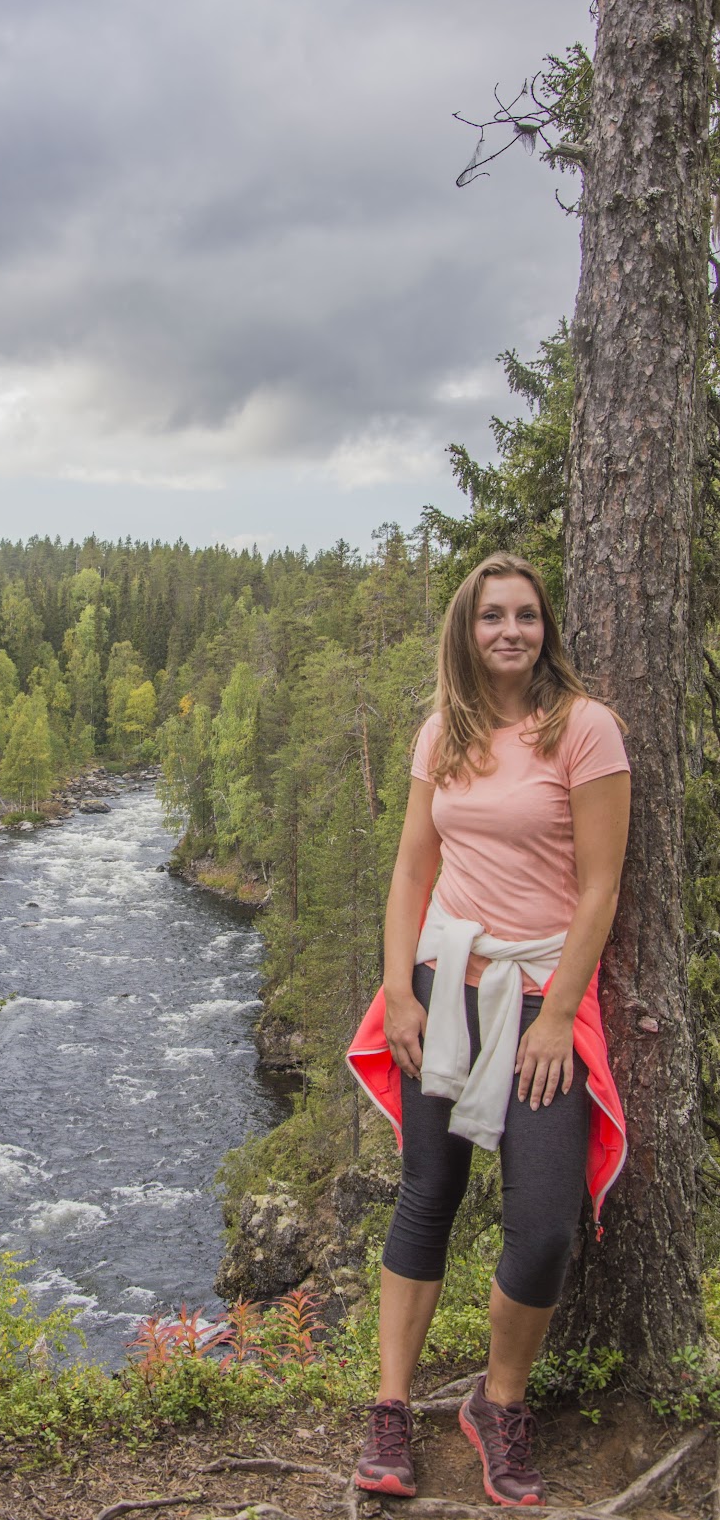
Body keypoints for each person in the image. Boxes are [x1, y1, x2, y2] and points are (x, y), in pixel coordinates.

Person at [346, 553, 630, 1509]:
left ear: (547, 627)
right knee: (428, 1194)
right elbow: (410, 873)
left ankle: (496, 1403)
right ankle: (390, 1409)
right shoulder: (445, 732)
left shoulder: (585, 730)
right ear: (465, 630)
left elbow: (601, 887)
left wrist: (558, 1017)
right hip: (443, 982)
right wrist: (403, 991)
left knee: (544, 1223)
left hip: (542, 995)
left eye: (527, 616)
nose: (511, 631)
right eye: (491, 617)